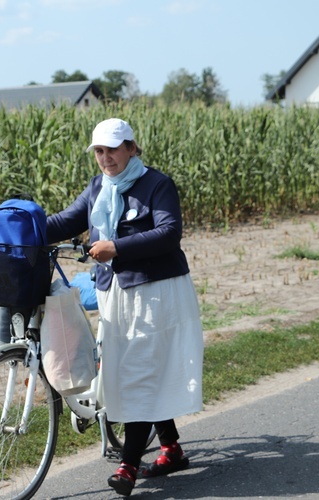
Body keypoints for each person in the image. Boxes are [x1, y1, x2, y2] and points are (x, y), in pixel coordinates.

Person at [46, 118, 204, 496]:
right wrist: (19, 227)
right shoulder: (99, 186)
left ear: (132, 148)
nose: (105, 158)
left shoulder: (157, 184)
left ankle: (128, 465)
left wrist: (117, 247)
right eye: (99, 151)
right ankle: (171, 448)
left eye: (113, 149)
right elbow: (69, 219)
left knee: (140, 372)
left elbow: (169, 232)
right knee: (137, 370)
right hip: (115, 293)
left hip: (156, 294)